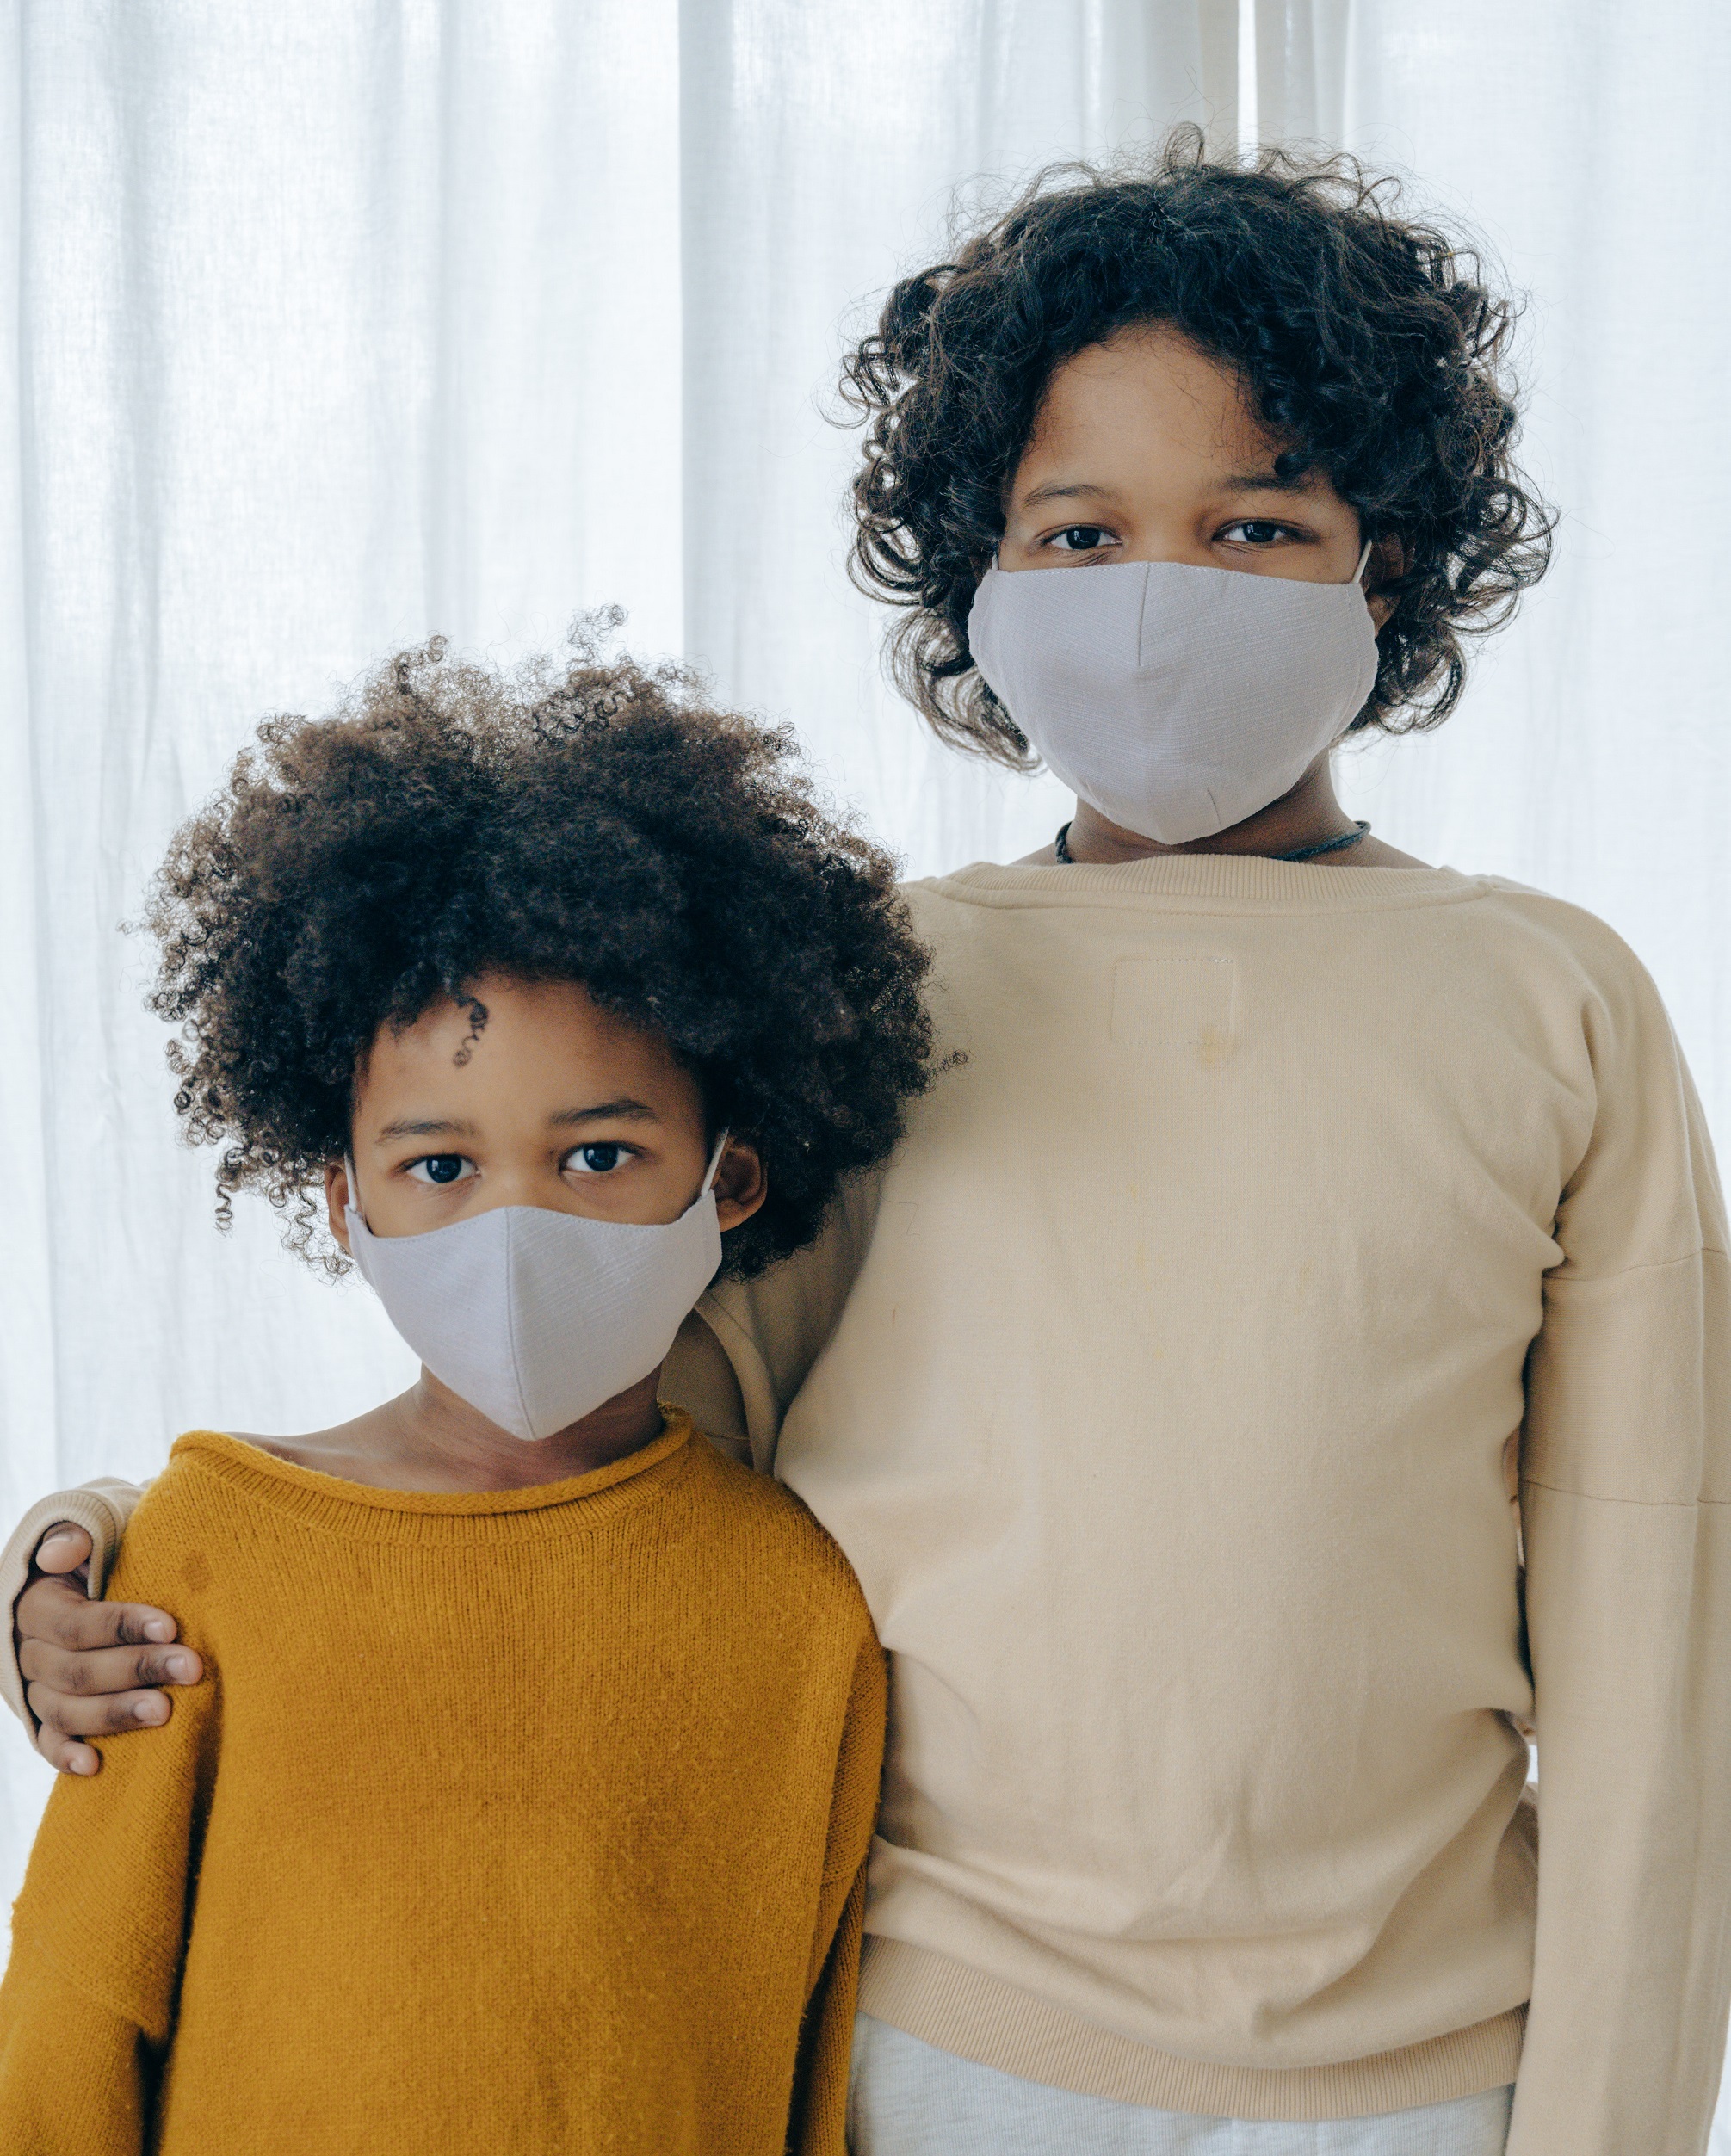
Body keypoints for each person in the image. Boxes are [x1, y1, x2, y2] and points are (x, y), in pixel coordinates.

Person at [8, 133, 1730, 2156]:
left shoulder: (1555, 1001)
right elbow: (586, 1419)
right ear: (973, 576)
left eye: (1254, 526)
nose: (1161, 601)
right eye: (1076, 535)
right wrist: (137, 1544)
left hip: (1429, 2072)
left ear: (1393, 553)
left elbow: (1656, 1624)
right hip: (919, 2050)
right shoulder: (886, 986)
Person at [0, 639, 937, 2154]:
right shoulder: (210, 1552)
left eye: (598, 1154)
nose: (517, 1227)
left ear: (731, 1180)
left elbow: (799, 2061)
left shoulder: (798, 1599)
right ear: (339, 1201)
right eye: (438, 1166)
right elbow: (74, 2010)